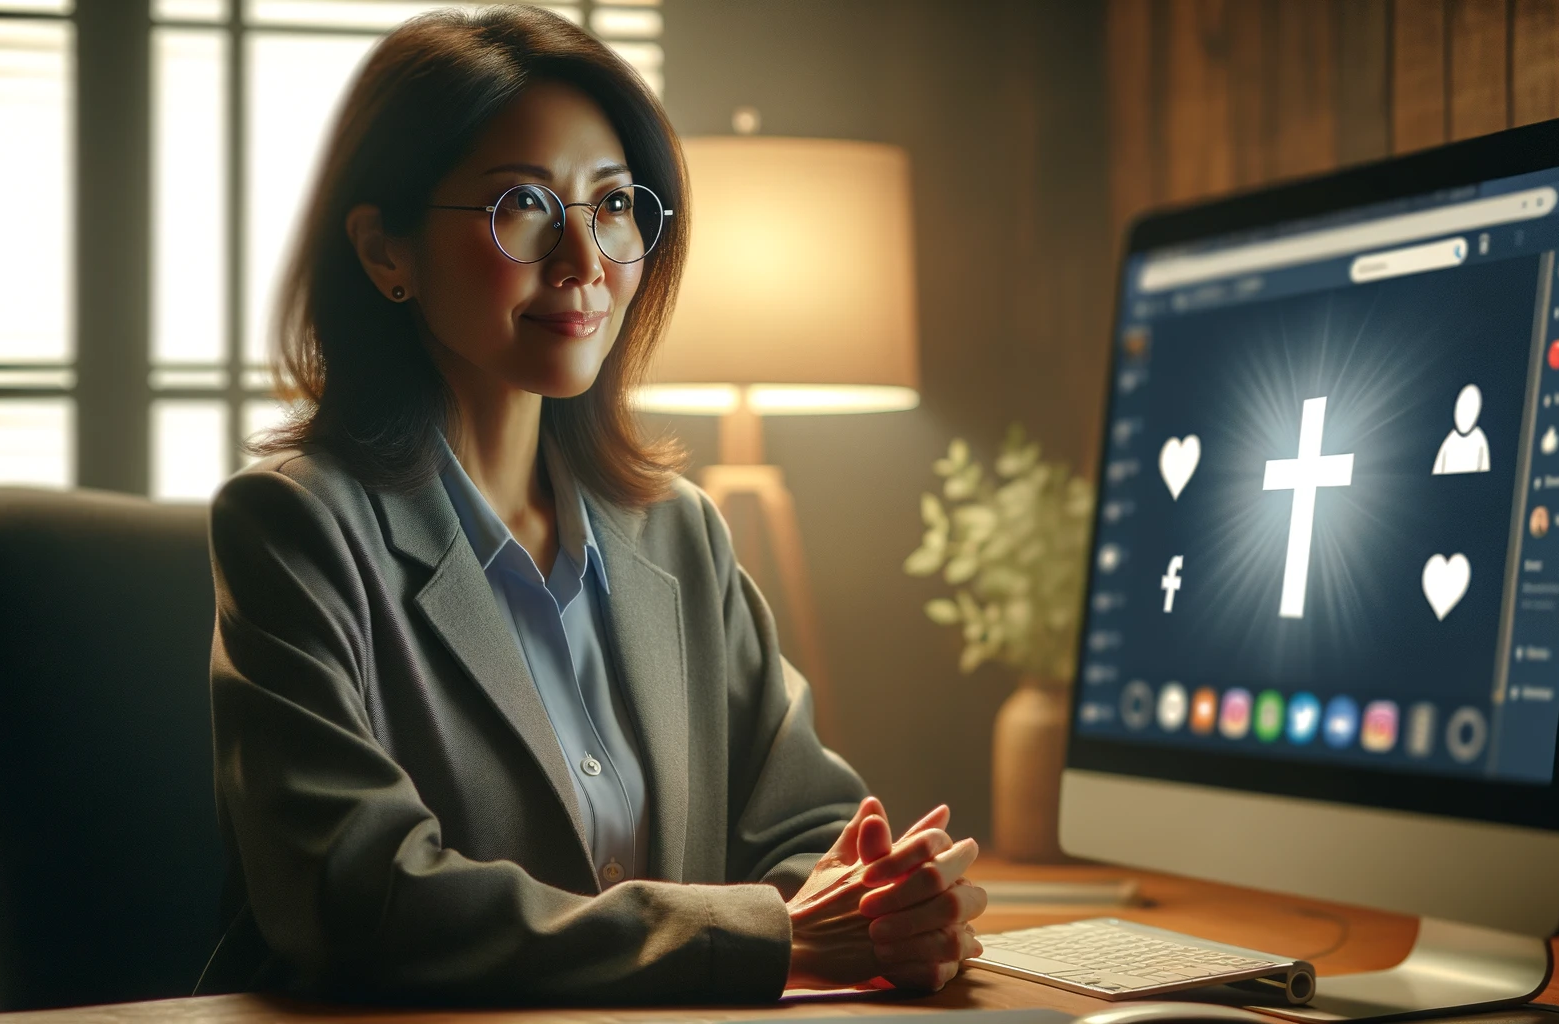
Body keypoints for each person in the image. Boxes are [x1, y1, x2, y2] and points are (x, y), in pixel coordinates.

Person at [198, 6, 986, 1005]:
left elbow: (806, 827)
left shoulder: (679, 531)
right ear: (385, 250)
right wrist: (768, 936)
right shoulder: (296, 529)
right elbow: (364, 897)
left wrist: (885, 905)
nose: (585, 261)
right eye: (522, 205)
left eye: (612, 204)